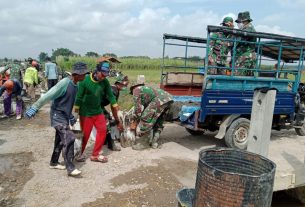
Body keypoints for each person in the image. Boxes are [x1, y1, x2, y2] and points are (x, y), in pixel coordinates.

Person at [25, 62, 88, 177]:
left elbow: (68, 102)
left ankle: (54, 162)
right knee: (69, 138)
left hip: (64, 116)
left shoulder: (76, 85)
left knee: (59, 141)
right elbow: (49, 95)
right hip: (57, 116)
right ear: (77, 74)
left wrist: (70, 116)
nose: (85, 76)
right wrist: (35, 107)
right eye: (84, 74)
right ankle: (70, 167)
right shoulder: (65, 83)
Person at [74, 61, 123, 163]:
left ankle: (95, 154)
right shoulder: (85, 81)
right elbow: (78, 97)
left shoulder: (104, 82)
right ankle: (79, 154)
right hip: (86, 113)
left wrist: (117, 109)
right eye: (102, 74)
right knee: (85, 135)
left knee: (103, 130)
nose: (103, 77)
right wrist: (75, 112)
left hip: (98, 111)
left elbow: (110, 95)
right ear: (97, 71)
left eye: (106, 75)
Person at [130, 84, 173, 150]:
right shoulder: (145, 89)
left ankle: (143, 144)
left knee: (146, 119)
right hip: (169, 99)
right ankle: (154, 141)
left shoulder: (136, 90)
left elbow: (138, 109)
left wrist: (135, 121)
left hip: (160, 100)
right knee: (158, 119)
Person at [101, 75, 129, 151]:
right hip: (95, 105)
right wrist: (118, 121)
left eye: (126, 85)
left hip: (99, 105)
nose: (125, 87)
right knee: (107, 122)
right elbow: (113, 108)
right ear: (119, 83)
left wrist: (118, 114)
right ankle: (110, 144)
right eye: (124, 85)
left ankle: (104, 141)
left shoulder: (115, 89)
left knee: (108, 118)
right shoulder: (114, 91)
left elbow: (114, 105)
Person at [234, 11, 256, 76]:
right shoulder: (245, 28)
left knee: (237, 72)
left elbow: (240, 39)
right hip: (248, 55)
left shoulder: (249, 28)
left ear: (245, 21)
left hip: (247, 55)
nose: (239, 24)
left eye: (240, 22)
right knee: (249, 75)